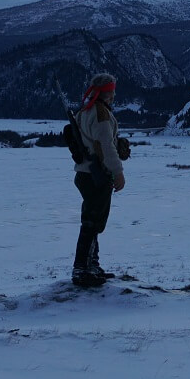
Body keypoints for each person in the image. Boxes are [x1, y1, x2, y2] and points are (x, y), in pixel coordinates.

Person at [71, 73, 126, 287]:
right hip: (97, 175)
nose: (114, 95)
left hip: (84, 173)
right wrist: (118, 171)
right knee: (92, 223)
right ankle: (81, 268)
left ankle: (91, 266)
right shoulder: (100, 113)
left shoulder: (84, 110)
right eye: (111, 91)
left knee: (92, 221)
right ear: (105, 92)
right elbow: (105, 145)